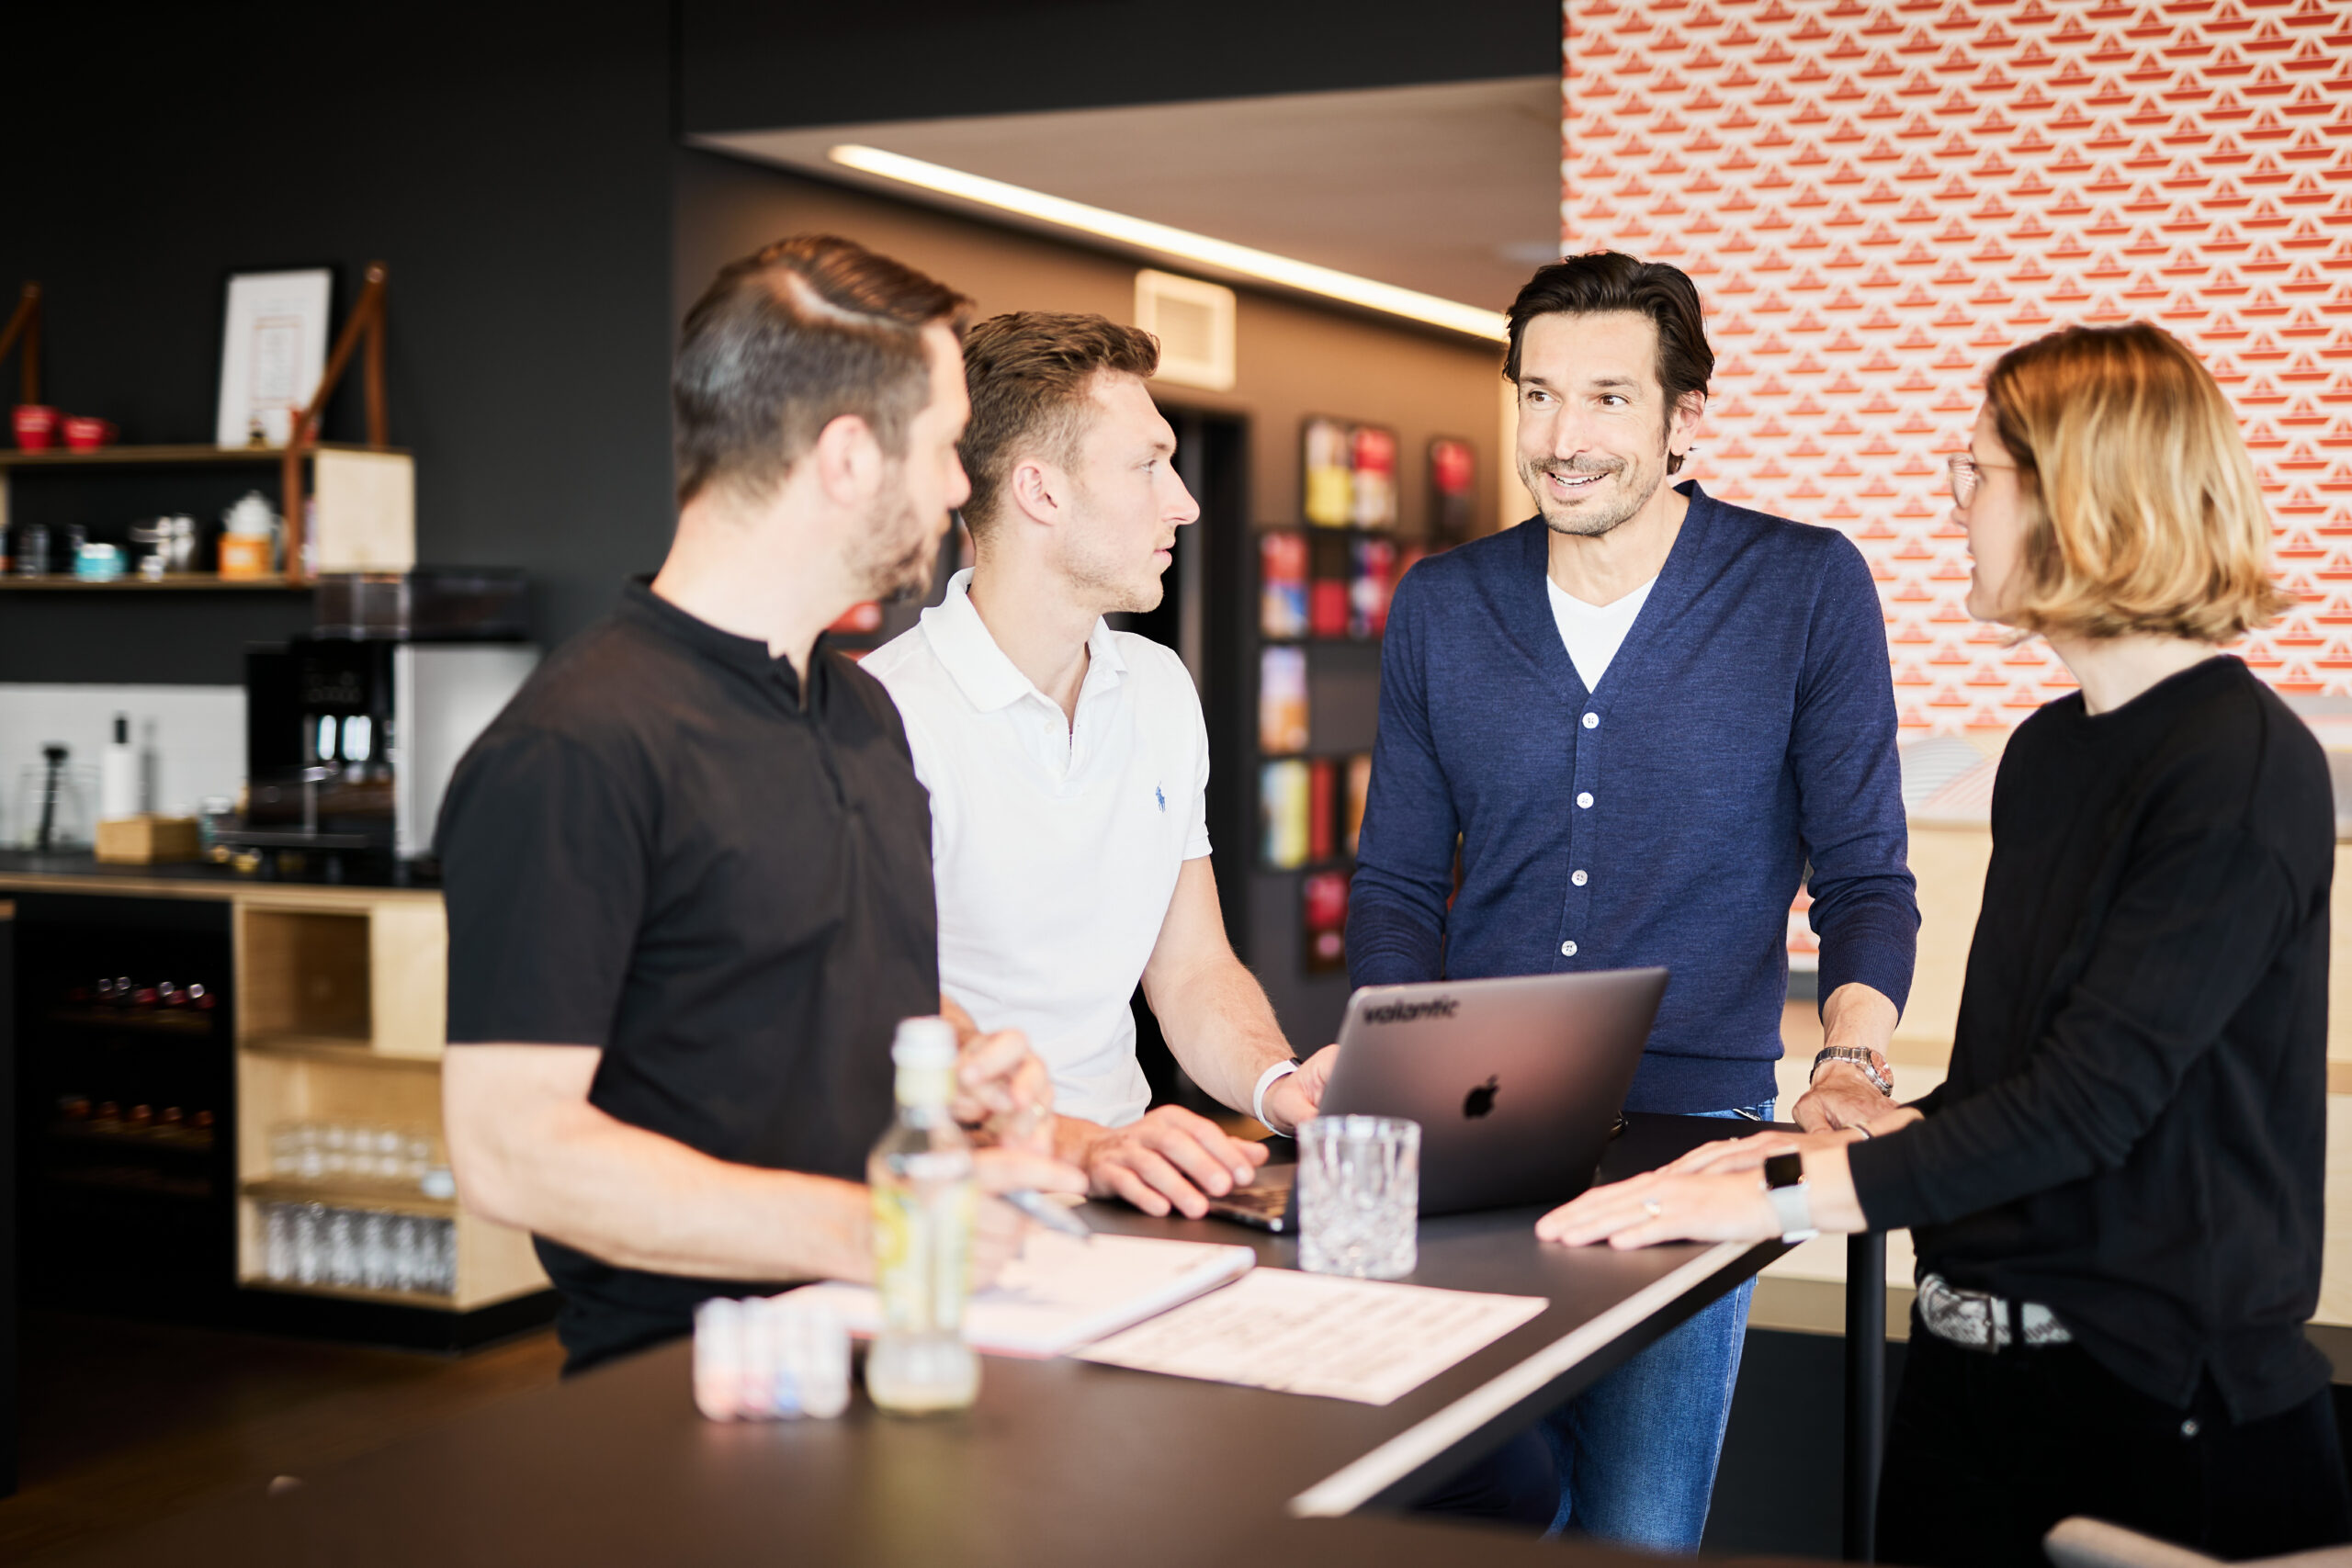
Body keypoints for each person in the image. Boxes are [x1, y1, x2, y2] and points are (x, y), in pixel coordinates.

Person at [1538, 321, 2352, 1565]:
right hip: (1968, 1383)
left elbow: (2089, 1110)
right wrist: (1863, 1120)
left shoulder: (2237, 771)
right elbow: (2020, 1090)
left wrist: (1775, 1188)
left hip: (2160, 1413)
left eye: (1977, 470)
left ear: (2078, 494)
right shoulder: (2049, 748)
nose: (1953, 497)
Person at [1346, 251, 1919, 1549]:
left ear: (1683, 421)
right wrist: (1386, 1055)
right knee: (1461, 1502)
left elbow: (1867, 872)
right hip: (1469, 1125)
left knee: (1642, 1526)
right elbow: (1393, 880)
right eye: (1538, 395)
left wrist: (1847, 1047)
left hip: (1694, 1128)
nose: (1564, 438)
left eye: (1608, 397)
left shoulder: (1802, 586)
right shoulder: (1446, 603)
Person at [435, 236, 1085, 1373]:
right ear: (845, 456)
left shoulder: (864, 716)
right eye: (940, 448)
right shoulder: (573, 748)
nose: (954, 486)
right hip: (684, 1390)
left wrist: (950, 1073)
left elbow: (785, 989)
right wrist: (867, 1229)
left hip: (893, 1339)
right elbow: (510, 1149)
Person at [865, 312, 1334, 1221]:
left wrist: (1278, 1087)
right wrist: (1082, 1145)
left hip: (1131, 1182)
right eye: (1148, 464)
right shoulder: (883, 718)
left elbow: (1192, 970)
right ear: (1039, 492)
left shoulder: (1156, 685)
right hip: (957, 1204)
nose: (1184, 502)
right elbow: (889, 1022)